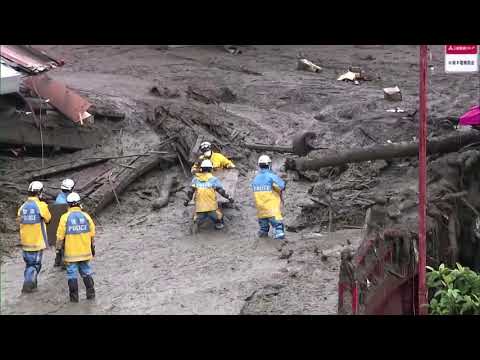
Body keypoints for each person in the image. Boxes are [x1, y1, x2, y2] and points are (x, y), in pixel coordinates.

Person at [56, 192, 96, 302]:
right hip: (85, 252)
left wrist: (58, 249)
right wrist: (92, 247)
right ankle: (91, 294)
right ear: (79, 204)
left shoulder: (64, 218)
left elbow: (60, 237)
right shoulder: (86, 216)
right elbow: (92, 234)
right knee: (86, 271)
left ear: (68, 205)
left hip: (71, 254)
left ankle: (74, 299)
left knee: (72, 274)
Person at [17, 181, 52, 293]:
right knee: (35, 265)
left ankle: (33, 285)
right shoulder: (41, 206)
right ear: (39, 193)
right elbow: (48, 218)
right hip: (37, 242)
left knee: (29, 265)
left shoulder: (22, 207)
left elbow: (19, 220)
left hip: (25, 242)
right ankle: (28, 284)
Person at [184, 159, 234, 232]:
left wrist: (187, 201)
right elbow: (221, 191)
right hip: (212, 208)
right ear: (210, 169)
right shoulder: (213, 179)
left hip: (199, 208)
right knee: (219, 217)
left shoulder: (196, 179)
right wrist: (229, 198)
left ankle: (196, 222)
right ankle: (218, 225)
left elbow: (190, 192)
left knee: (197, 218)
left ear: (202, 169)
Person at [251, 155, 286, 240]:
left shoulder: (255, 179)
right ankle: (279, 242)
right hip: (272, 209)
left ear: (259, 165)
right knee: (278, 229)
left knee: (263, 229)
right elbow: (282, 186)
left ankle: (263, 235)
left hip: (260, 209)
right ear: (269, 165)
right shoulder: (271, 176)